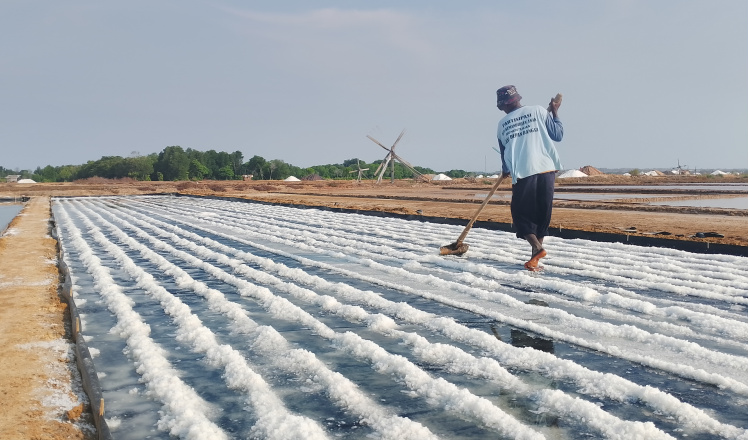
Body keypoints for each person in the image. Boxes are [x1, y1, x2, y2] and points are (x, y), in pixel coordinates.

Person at [495, 85, 563, 271]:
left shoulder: (502, 125)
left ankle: (537, 248)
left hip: (523, 172)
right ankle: (535, 260)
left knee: (521, 216)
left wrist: (505, 170)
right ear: (518, 99)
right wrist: (554, 113)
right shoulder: (539, 111)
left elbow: (504, 155)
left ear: (502, 107)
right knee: (541, 216)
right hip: (547, 169)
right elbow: (558, 135)